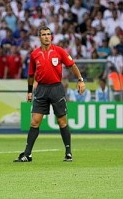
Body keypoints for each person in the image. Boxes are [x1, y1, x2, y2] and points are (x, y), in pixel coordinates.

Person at [14, 26, 86, 163]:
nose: (47, 36)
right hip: (41, 89)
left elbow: (72, 65)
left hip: (56, 88)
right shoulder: (34, 54)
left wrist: (80, 80)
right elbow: (30, 75)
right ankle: (27, 155)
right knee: (35, 122)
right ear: (39, 37)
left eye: (48, 34)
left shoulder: (59, 51)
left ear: (51, 36)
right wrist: (29, 91)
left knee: (62, 121)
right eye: (43, 34)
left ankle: (68, 152)